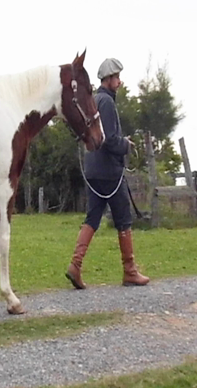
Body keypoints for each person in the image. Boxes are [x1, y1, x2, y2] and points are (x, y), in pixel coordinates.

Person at [65, 58, 149, 289]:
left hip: (93, 170)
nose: (119, 82)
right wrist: (126, 145)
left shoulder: (95, 99)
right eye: (117, 77)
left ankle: (75, 265)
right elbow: (110, 140)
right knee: (123, 218)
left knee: (93, 217)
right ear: (108, 79)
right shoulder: (107, 102)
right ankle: (130, 271)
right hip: (109, 171)